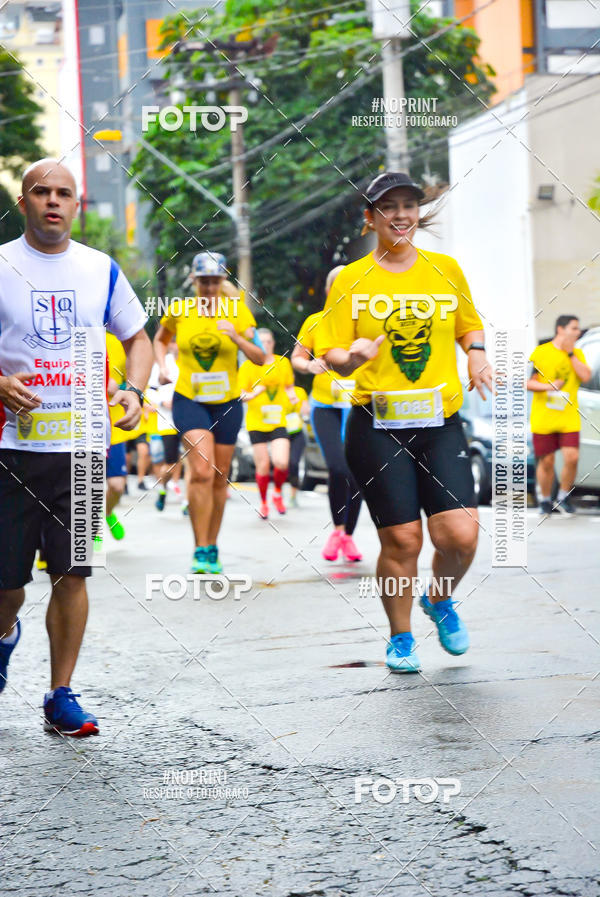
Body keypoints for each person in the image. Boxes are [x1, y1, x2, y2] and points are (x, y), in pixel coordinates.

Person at [0, 159, 152, 735]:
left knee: (73, 573)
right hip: (11, 449)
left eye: (65, 193)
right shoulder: (2, 265)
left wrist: (134, 386)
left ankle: (60, 693)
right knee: (6, 587)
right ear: (24, 203)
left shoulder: (101, 269)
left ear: (77, 204)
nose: (54, 201)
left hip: (83, 449)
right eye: (43, 192)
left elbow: (139, 338)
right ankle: (3, 636)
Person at [321, 171, 492, 673]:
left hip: (441, 421)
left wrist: (477, 356)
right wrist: (350, 358)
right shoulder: (351, 279)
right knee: (403, 541)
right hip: (377, 424)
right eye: (388, 206)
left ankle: (439, 600)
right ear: (370, 217)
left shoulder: (445, 269)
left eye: (409, 205)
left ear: (419, 212)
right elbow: (331, 348)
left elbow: (468, 324)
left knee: (460, 536)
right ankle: (400, 637)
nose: (401, 215)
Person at [154, 251, 263, 573]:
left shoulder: (238, 312)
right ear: (194, 280)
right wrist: (163, 367)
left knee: (219, 477)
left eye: (215, 280)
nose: (210, 286)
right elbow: (160, 340)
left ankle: (212, 546)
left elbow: (259, 357)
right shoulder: (179, 310)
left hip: (227, 403)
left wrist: (236, 338)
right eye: (204, 280)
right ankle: (199, 547)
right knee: (201, 470)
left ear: (223, 280)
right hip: (190, 398)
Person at [292, 267, 363, 562]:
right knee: (338, 467)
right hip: (324, 406)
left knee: (358, 473)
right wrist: (308, 366)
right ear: (328, 291)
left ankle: (347, 537)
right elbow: (297, 357)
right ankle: (337, 529)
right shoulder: (315, 321)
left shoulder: (364, 323)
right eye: (338, 286)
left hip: (358, 404)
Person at [527, 315, 591, 517]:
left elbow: (586, 376)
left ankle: (563, 496)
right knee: (547, 462)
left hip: (569, 416)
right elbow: (529, 382)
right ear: (560, 329)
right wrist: (549, 386)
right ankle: (545, 500)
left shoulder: (578, 353)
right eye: (574, 328)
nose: (577, 332)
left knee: (572, 458)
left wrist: (571, 354)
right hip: (544, 416)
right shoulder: (541, 352)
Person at [239, 329, 297, 519]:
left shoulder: (283, 363)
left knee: (281, 462)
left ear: (273, 343)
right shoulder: (248, 366)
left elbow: (288, 385)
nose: (266, 344)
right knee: (263, 465)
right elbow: (241, 395)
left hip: (278, 420)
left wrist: (292, 395)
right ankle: (264, 503)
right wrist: (255, 393)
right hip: (256, 422)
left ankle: (277, 493)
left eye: (269, 341)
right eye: (262, 341)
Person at [146, 336, 181, 512]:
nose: (177, 346)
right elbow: (150, 391)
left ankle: (187, 503)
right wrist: (162, 402)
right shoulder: (163, 364)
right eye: (174, 342)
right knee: (171, 463)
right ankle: (162, 489)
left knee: (192, 460)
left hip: (190, 418)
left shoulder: (192, 362)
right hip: (168, 420)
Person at [285, 384, 309, 508]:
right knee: (282, 464)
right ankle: (277, 492)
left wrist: (303, 407)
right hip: (280, 432)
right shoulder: (275, 391)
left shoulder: (299, 391)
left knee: (294, 463)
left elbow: (306, 410)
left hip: (297, 433)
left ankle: (293, 496)